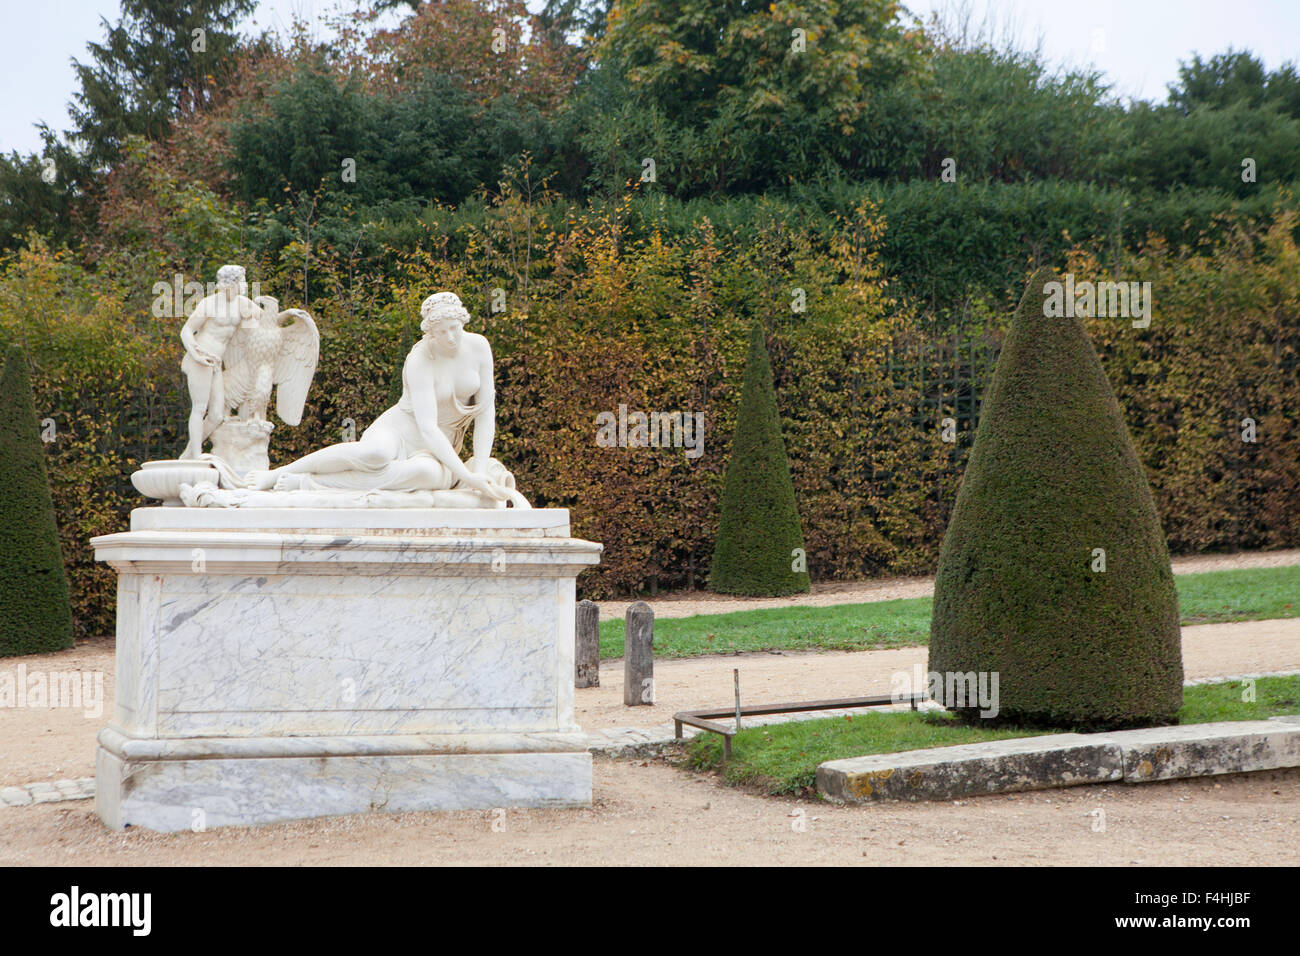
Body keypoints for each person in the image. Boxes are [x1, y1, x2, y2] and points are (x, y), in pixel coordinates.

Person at [247, 292, 513, 503]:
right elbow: (428, 427)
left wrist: (478, 472)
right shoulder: (420, 359)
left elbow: (485, 414)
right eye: (442, 332)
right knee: (375, 454)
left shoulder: (479, 347)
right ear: (430, 332)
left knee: (426, 474)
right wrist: (467, 475)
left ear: (462, 321)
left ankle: (309, 484)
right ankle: (278, 474)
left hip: (439, 451)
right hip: (401, 430)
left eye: (454, 328)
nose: (451, 337)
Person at [178, 265, 260, 459]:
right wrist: (196, 354)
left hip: (216, 362)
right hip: (202, 358)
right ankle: (196, 456)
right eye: (242, 281)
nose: (245, 285)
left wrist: (290, 315)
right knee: (199, 408)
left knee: (216, 415)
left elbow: (267, 319)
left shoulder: (242, 304)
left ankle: (187, 455)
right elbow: (186, 330)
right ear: (231, 283)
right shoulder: (209, 304)